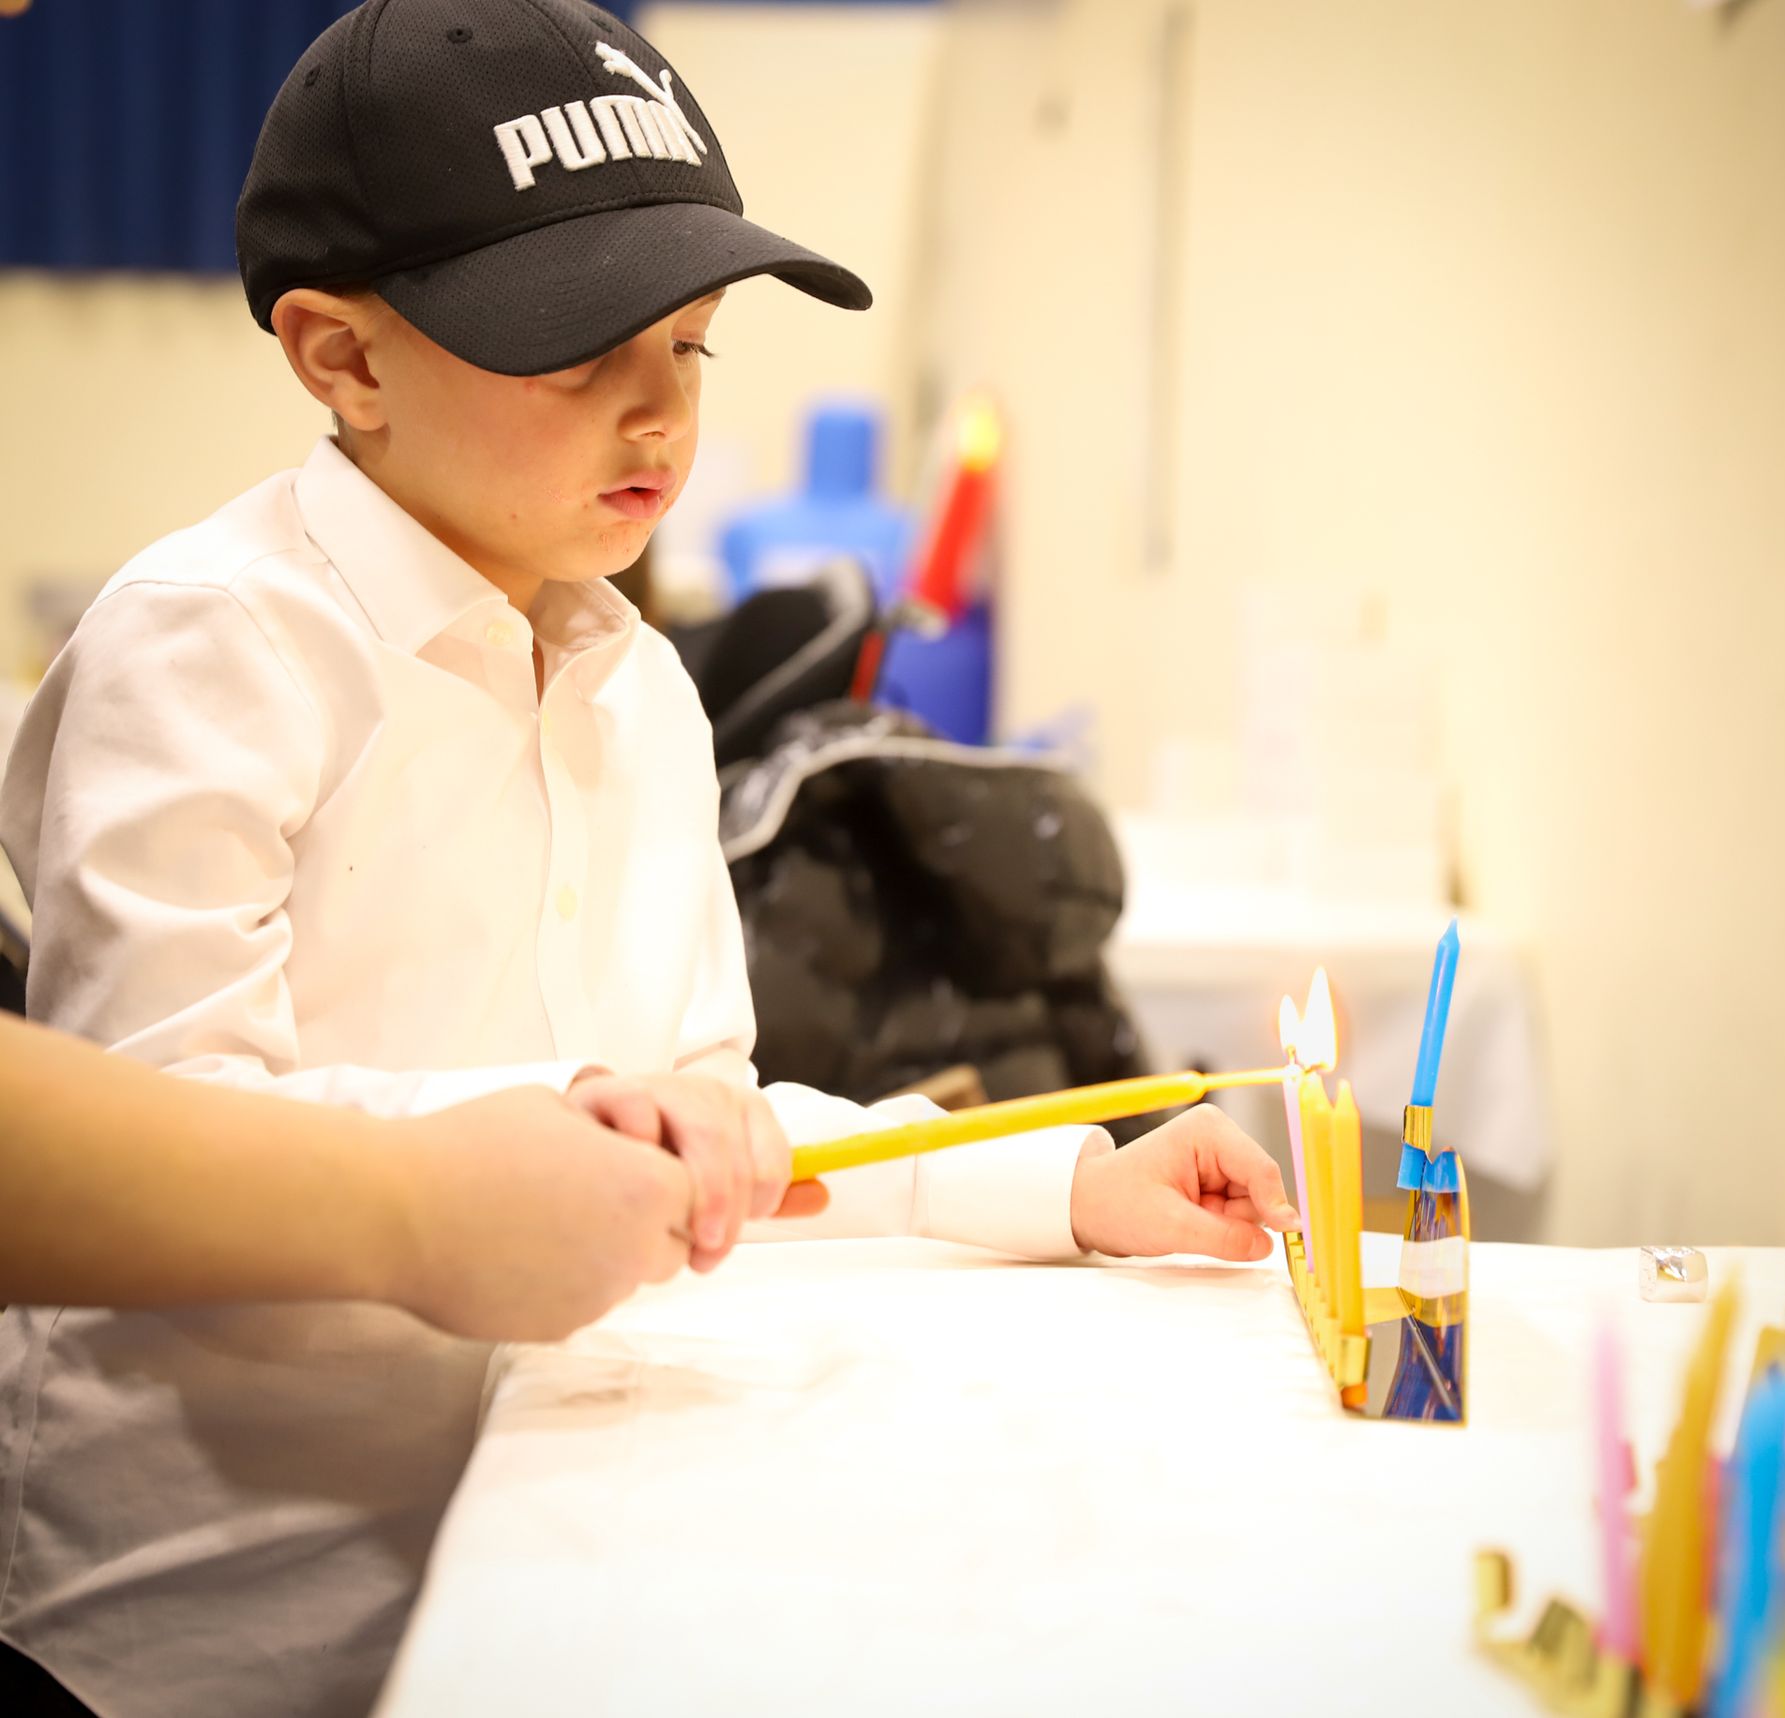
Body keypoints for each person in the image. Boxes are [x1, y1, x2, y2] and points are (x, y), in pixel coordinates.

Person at [0, 4, 1299, 1714]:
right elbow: (161, 1134)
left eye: (689, 346)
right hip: (211, 1618)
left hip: (551, 1537)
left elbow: (715, 1128)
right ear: (343, 356)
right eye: (572, 350)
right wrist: (565, 1118)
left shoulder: (644, 687)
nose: (656, 414)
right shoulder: (210, 645)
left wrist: (1060, 1175)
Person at [0, 1011, 837, 1335]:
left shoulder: (654, 697)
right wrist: (427, 1205)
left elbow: (713, 1084)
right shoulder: (212, 637)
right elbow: (151, 1087)